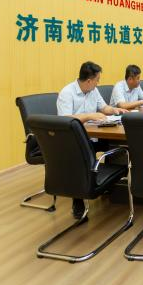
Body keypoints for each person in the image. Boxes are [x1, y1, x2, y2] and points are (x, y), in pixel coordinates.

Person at [57, 61, 128, 218]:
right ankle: (78, 199)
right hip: (74, 140)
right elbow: (64, 119)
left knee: (117, 145)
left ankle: (110, 185)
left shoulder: (93, 91)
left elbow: (103, 108)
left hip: (94, 135)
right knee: (80, 157)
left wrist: (115, 110)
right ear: (89, 81)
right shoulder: (67, 93)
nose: (98, 83)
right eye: (97, 80)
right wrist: (89, 116)